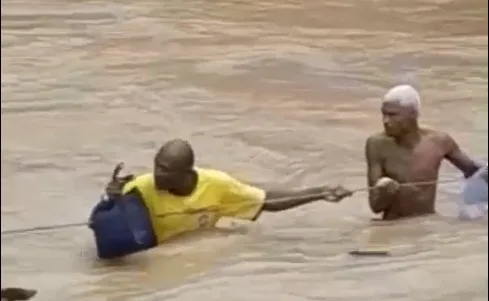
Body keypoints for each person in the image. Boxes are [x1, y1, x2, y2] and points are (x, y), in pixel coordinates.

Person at [89, 139, 353, 259]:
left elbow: (266, 202)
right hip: (157, 250)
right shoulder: (141, 187)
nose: (157, 174)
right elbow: (96, 224)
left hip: (192, 253)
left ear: (187, 173)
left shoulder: (217, 184)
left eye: (166, 170)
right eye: (157, 166)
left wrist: (319, 193)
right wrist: (109, 200)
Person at [365, 84, 486, 220]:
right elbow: (375, 206)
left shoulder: (439, 141)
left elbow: (474, 172)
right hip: (392, 225)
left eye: (392, 115)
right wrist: (385, 192)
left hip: (427, 224)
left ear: (413, 114)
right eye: (384, 114)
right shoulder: (376, 144)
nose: (385, 121)